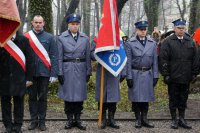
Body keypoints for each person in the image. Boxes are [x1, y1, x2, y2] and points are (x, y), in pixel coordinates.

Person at [159, 19, 199, 129]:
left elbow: (195, 58)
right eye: (179, 28)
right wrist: (165, 74)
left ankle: (182, 118)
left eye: (183, 28)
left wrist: (194, 73)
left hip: (186, 76)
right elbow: (163, 59)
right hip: (173, 76)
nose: (181, 30)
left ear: (185, 29)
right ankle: (174, 120)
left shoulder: (190, 41)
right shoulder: (168, 41)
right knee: (173, 98)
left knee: (183, 98)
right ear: (174, 29)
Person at [57, 13, 92, 130]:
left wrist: (89, 71)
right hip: (67, 69)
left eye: (77, 24)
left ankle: (78, 119)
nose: (75, 26)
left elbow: (87, 56)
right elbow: (59, 57)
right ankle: (69, 120)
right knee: (68, 96)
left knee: (79, 96)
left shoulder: (85, 38)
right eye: (73, 24)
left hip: (81, 69)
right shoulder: (61, 38)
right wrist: (60, 72)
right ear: (68, 25)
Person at [24, 15, 58, 131]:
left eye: (40, 22)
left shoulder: (50, 37)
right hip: (31, 74)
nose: (38, 24)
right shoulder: (26, 37)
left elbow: (54, 56)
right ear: (32, 23)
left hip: (44, 73)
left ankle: (42, 122)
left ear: (44, 23)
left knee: (43, 98)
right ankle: (33, 121)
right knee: (32, 98)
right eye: (36, 22)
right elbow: (23, 57)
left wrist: (53, 73)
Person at [125, 20, 159, 128]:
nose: (143, 31)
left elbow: (155, 61)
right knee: (136, 98)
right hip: (135, 73)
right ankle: (138, 119)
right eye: (141, 29)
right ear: (136, 30)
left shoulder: (152, 43)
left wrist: (155, 75)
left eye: (145, 29)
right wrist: (128, 77)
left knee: (146, 98)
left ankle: (145, 118)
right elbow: (128, 61)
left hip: (148, 73)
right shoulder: (130, 43)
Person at [0, 31, 34, 133]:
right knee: (5, 102)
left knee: (19, 102)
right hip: (3, 78)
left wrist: (28, 78)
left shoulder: (24, 40)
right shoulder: (1, 39)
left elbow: (30, 59)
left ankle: (18, 125)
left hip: (19, 78)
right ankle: (8, 125)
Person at [90, 38, 122, 129]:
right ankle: (102, 118)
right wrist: (100, 52)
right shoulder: (97, 39)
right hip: (102, 72)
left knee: (113, 96)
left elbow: (123, 55)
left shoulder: (117, 40)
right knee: (102, 96)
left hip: (114, 71)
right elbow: (91, 55)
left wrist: (123, 73)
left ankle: (111, 118)